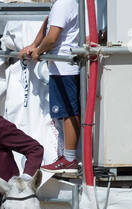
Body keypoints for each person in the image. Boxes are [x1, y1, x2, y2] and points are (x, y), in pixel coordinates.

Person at [20, 0, 84, 171]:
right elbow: (49, 22)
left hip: (65, 67)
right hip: (60, 66)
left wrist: (38, 50)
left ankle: (69, 158)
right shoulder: (61, 4)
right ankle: (66, 156)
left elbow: (53, 37)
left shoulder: (64, 3)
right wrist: (35, 45)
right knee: (63, 112)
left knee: (69, 112)